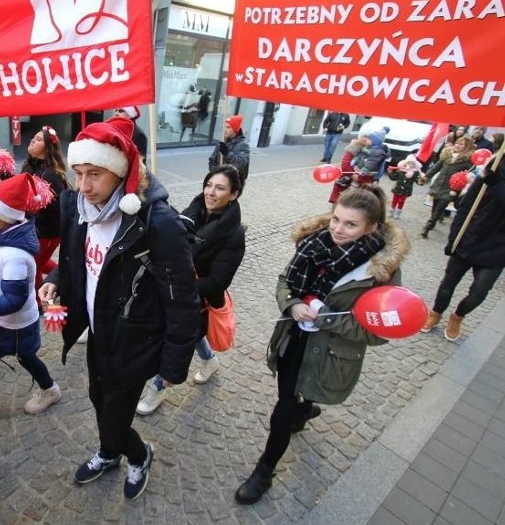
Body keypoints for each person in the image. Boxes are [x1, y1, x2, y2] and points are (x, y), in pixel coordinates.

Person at [38, 117, 200, 500]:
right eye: (79, 173)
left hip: (135, 339)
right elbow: (75, 259)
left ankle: (139, 454)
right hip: (98, 332)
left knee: (114, 416)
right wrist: (58, 280)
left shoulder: (156, 222)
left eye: (95, 174)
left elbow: (182, 300)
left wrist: (174, 364)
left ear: (121, 171)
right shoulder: (79, 207)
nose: (84, 186)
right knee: (98, 398)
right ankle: (111, 452)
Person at [236, 185, 409, 505]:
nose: (338, 230)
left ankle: (264, 470)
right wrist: (292, 305)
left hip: (329, 353)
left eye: (350, 224)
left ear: (371, 227)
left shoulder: (381, 271)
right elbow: (284, 281)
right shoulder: (313, 244)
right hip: (294, 339)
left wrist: (325, 318)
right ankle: (302, 410)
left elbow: (379, 332)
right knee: (287, 399)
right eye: (336, 219)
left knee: (283, 410)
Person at [136, 165, 246, 415]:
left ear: (234, 194)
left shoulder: (234, 234)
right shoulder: (192, 211)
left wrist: (179, 287)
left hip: (199, 297)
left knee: (174, 336)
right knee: (193, 335)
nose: (211, 192)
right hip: (177, 286)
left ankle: (158, 387)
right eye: (209, 185)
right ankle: (209, 361)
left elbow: (219, 280)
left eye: (220, 188)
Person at [0, 174, 62, 422]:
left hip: (16, 324)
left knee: (26, 357)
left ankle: (50, 390)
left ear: (6, 218)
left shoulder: (15, 255)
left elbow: (13, 300)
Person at [420, 135, 505, 342]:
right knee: (448, 283)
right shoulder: (494, 168)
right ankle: (436, 312)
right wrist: (454, 237)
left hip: (501, 246)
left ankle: (458, 315)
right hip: (471, 238)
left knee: (479, 292)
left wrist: (497, 185)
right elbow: (466, 205)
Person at [21, 126, 69, 291]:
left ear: (48, 149)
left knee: (31, 265)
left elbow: (62, 205)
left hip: (48, 232)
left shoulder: (50, 175)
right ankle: (65, 276)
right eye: (34, 137)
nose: (33, 140)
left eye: (39, 139)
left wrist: (40, 203)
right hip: (32, 229)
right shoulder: (28, 166)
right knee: (37, 261)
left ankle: (37, 302)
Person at [420, 135, 474, 239]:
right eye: (457, 143)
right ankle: (434, 219)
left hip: (452, 187)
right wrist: (426, 176)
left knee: (441, 205)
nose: (458, 146)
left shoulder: (467, 160)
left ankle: (428, 226)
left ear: (467, 146)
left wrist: (464, 182)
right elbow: (436, 167)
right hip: (439, 183)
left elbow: (469, 174)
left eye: (461, 144)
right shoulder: (447, 154)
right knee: (435, 205)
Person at [209, 114, 250, 185]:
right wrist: (214, 173)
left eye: (228, 127)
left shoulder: (243, 145)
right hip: (218, 179)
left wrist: (227, 153)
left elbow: (241, 163)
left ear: (235, 129)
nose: (225, 130)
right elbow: (212, 159)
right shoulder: (222, 143)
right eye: (225, 127)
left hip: (233, 182)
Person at [387, 154, 424, 219]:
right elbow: (394, 177)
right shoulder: (401, 170)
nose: (410, 165)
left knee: (401, 201)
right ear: (406, 163)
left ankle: (397, 213)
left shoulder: (414, 173)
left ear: (414, 165)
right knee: (394, 200)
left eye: (412, 164)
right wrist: (390, 173)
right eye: (409, 163)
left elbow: (417, 181)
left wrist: (421, 180)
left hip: (406, 190)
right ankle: (391, 212)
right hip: (397, 188)